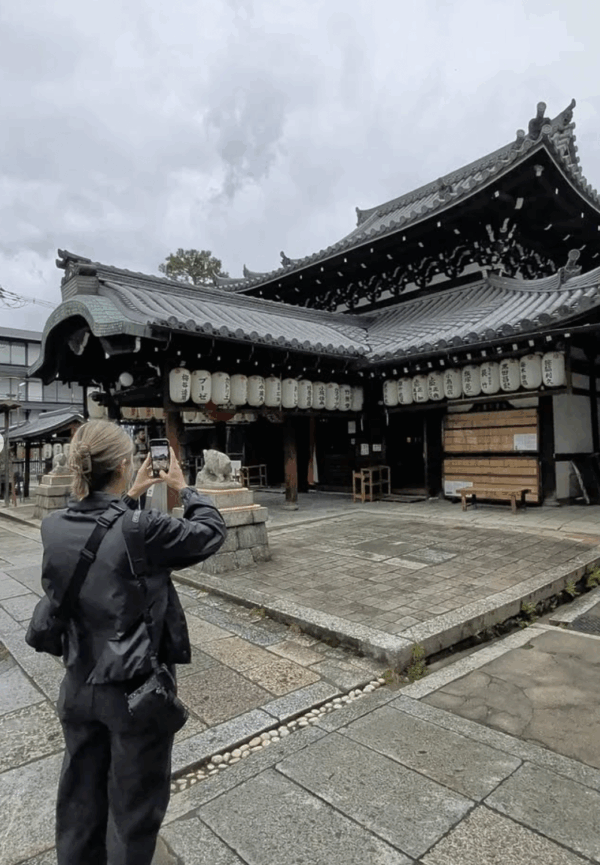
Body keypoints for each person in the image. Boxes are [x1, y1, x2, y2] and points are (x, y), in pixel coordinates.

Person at [39, 419, 226, 865]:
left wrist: (128, 494)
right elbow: (210, 531)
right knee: (132, 810)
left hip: (79, 683)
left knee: (79, 798)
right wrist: (184, 487)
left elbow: (99, 535)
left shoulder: (54, 526)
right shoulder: (145, 528)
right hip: (135, 690)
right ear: (125, 464)